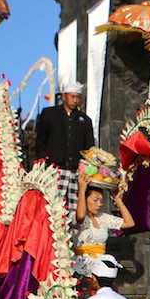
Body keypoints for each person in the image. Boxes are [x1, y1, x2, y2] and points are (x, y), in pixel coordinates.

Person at [35, 82, 94, 210]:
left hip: (75, 171)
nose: (75, 100)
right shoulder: (50, 114)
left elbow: (89, 147)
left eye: (78, 97)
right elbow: (40, 139)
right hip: (55, 169)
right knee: (52, 206)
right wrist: (43, 159)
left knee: (74, 208)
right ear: (64, 97)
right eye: (72, 97)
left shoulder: (85, 120)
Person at [73, 174, 135, 276]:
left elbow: (129, 223)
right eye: (95, 200)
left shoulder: (103, 217)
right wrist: (81, 190)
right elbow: (80, 217)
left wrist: (117, 199)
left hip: (100, 268)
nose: (99, 204)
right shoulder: (75, 216)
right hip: (81, 267)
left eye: (101, 201)